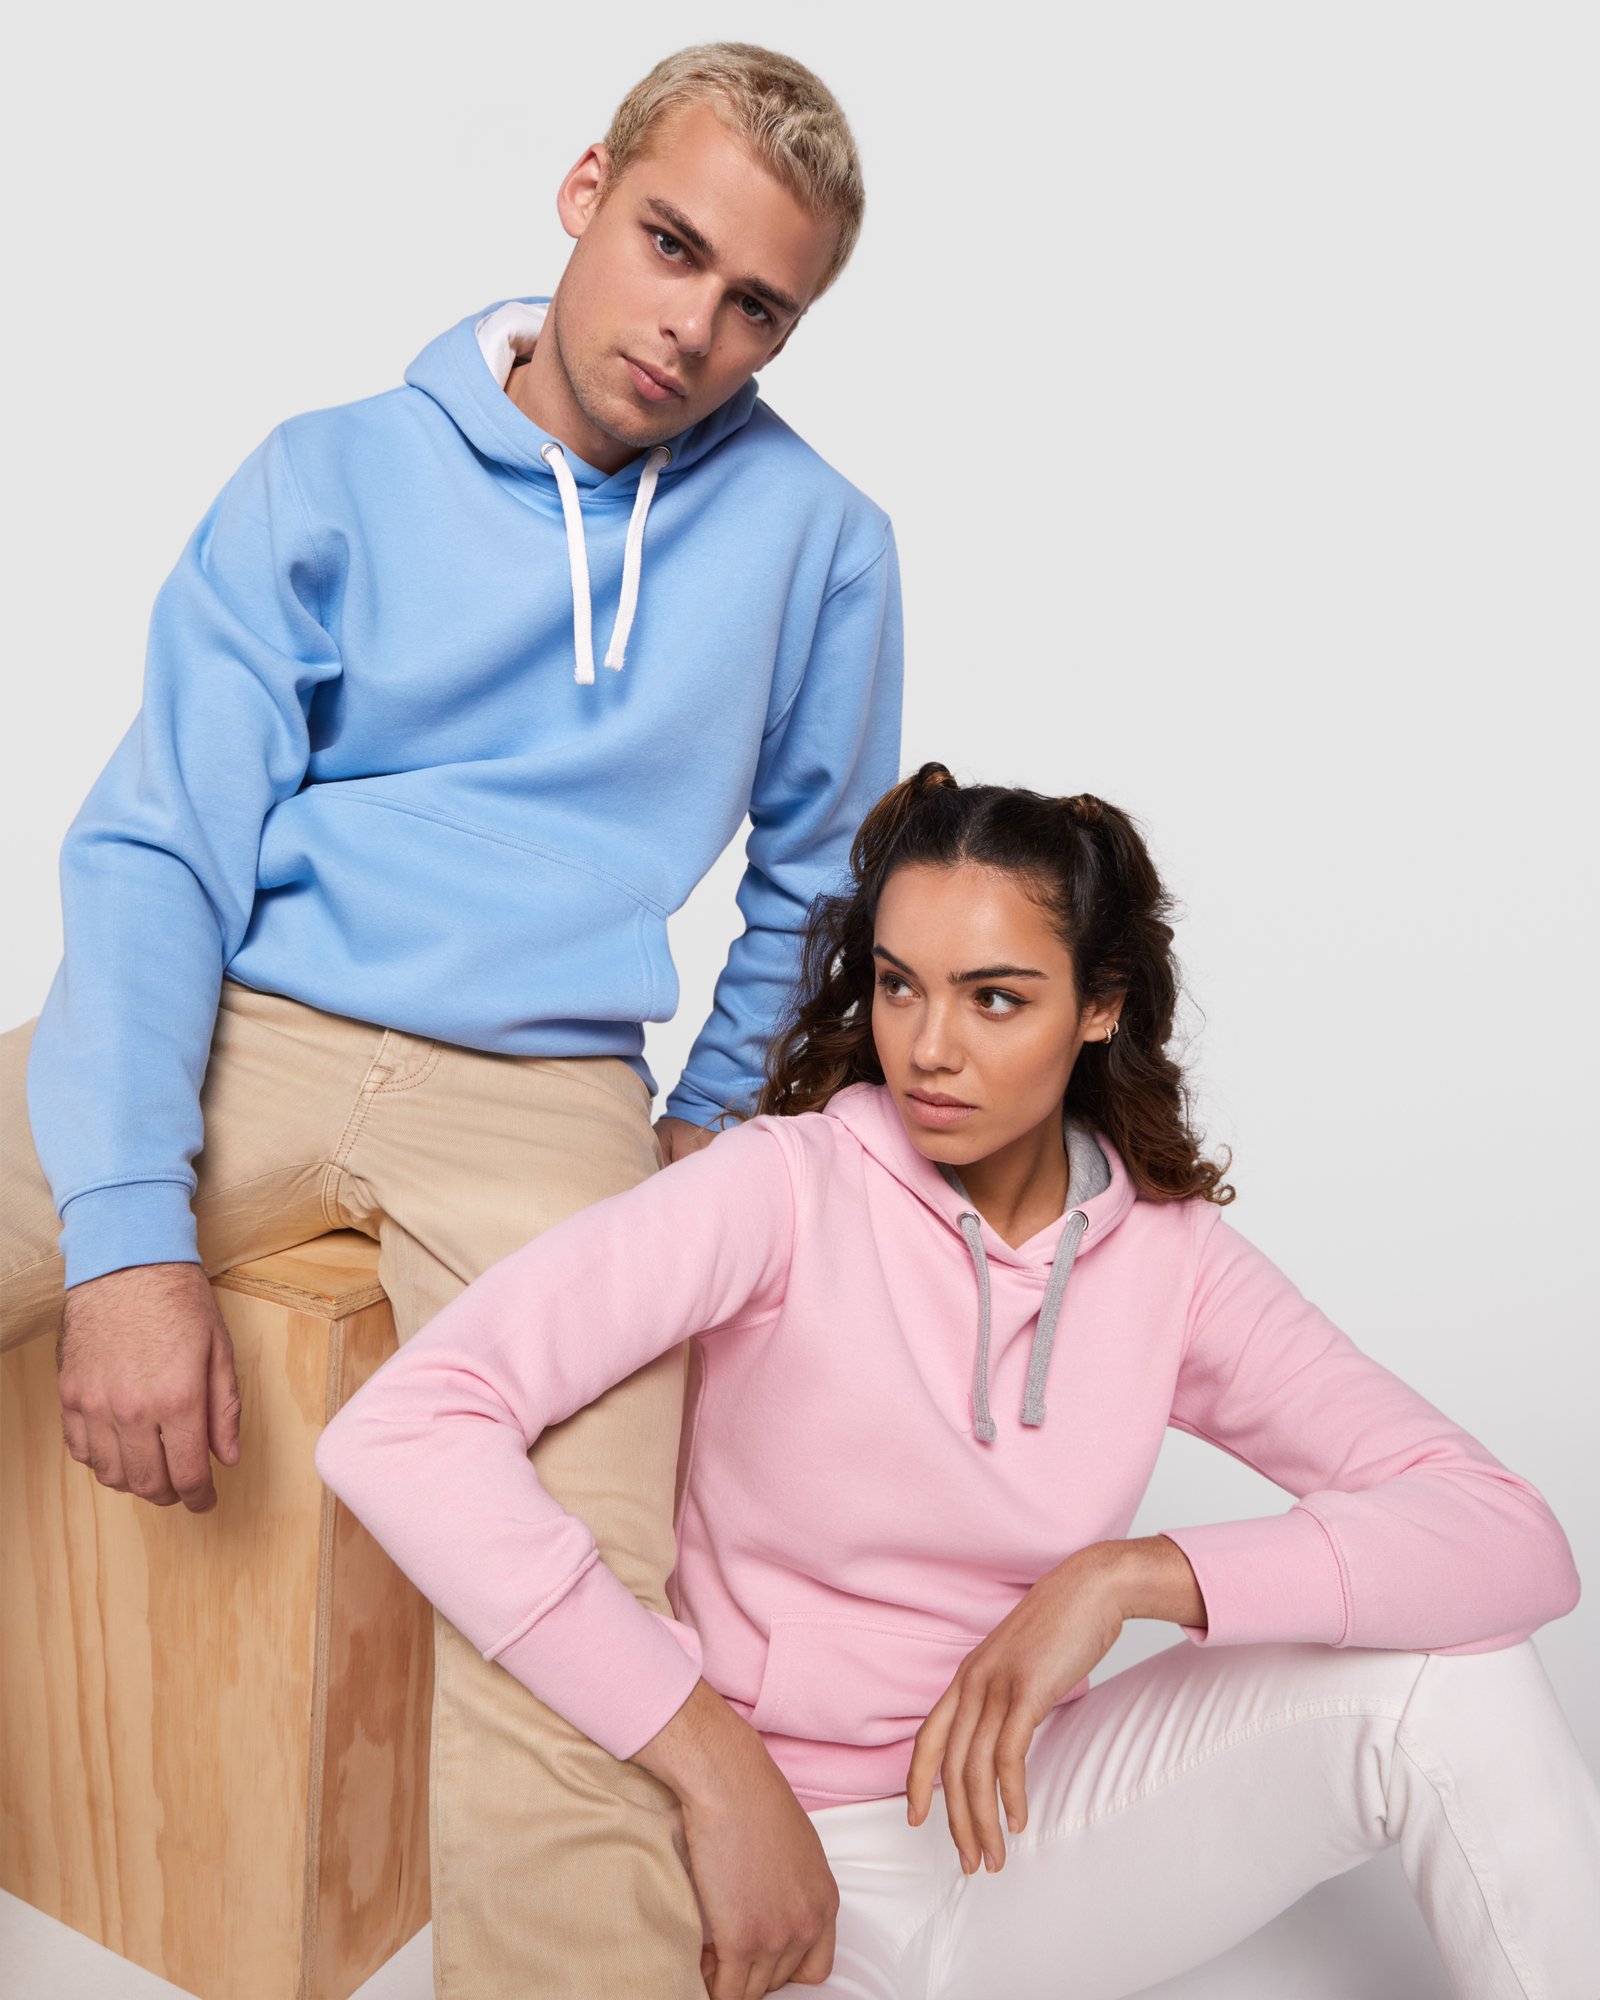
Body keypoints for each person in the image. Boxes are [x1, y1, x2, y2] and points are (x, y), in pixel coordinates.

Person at [0, 43, 901, 1999]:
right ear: (585, 190)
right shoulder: (330, 471)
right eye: (670, 243)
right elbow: (156, 845)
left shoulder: (818, 539)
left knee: (575, 1618)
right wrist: (131, 1244)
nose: (694, 326)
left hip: (551, 1098)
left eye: (760, 305)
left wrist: (702, 1136)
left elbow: (822, 881)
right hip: (244, 1010)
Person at [314, 764, 1598, 2000]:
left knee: (1454, 1681)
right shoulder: (782, 1186)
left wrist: (1131, 1576)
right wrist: (711, 1764)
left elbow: (1508, 1536)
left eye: (994, 998)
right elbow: (406, 1430)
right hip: (772, 1844)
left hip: (1025, 1824)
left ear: (1098, 1007)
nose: (928, 1048)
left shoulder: (1173, 1259)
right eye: (898, 985)